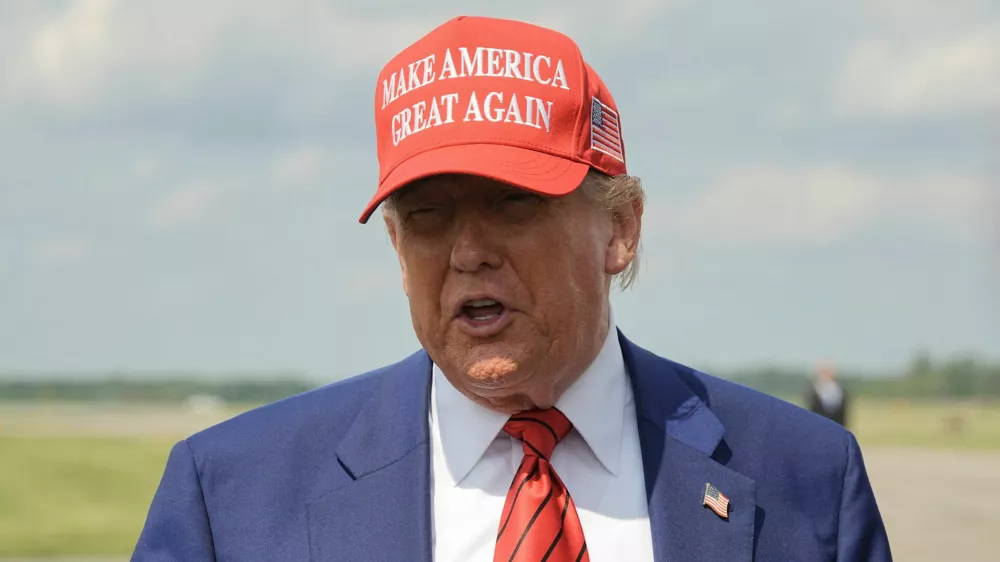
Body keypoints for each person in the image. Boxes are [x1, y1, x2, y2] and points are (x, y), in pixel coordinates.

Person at [131, 15, 891, 561]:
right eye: (427, 215)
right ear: (397, 248)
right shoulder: (228, 499)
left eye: (513, 202)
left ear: (620, 228)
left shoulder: (807, 478)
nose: (466, 251)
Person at [807, 362, 850, 427]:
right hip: (818, 425)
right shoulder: (814, 389)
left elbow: (844, 411)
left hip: (837, 425)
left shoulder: (840, 390)